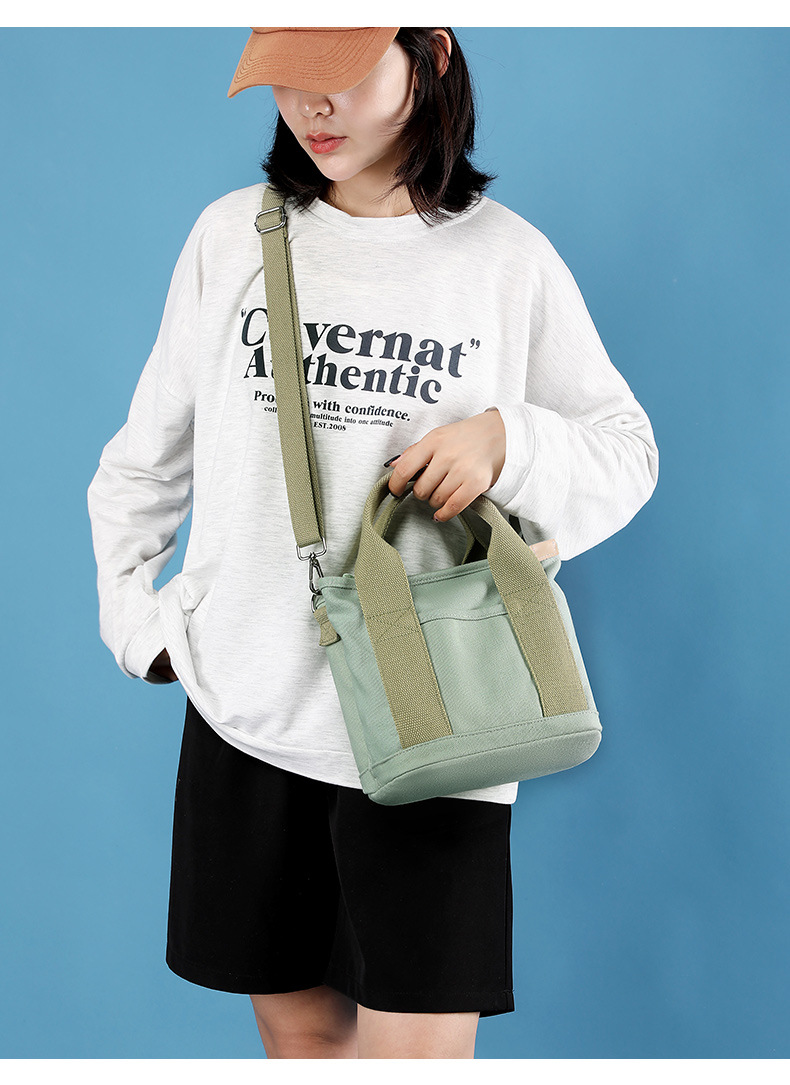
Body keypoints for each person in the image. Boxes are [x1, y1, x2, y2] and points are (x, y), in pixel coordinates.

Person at [87, 27, 658, 1060]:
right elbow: (144, 460)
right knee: (301, 1041)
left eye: (341, 73)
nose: (312, 107)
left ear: (428, 55)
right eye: (287, 81)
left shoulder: (506, 259)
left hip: (440, 718)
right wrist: (138, 625)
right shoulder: (232, 237)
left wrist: (509, 441)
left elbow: (627, 453)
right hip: (246, 711)